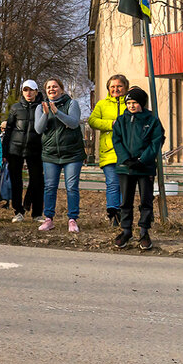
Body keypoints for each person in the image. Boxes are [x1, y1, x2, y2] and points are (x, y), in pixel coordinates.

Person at [111, 87, 165, 250]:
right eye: (129, 103)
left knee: (146, 201)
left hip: (145, 167)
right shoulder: (121, 121)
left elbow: (156, 141)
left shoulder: (152, 120)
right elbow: (117, 140)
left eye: (135, 102)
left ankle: (144, 231)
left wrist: (142, 159)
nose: (131, 106)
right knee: (126, 201)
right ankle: (126, 230)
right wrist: (126, 159)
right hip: (125, 167)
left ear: (142, 103)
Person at [34, 78, 86, 233]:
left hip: (72, 154)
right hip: (51, 154)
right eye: (49, 87)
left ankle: (72, 220)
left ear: (61, 89)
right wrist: (46, 113)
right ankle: (49, 219)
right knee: (50, 187)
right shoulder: (41, 107)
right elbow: (38, 129)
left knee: (71, 187)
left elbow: (74, 123)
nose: (52, 89)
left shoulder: (72, 104)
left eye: (55, 86)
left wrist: (57, 112)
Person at [88, 73, 129, 227]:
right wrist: (111, 124)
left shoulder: (130, 103)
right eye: (112, 86)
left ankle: (125, 213)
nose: (116, 89)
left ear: (125, 87)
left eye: (119, 86)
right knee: (112, 183)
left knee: (125, 184)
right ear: (108, 88)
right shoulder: (102, 104)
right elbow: (92, 121)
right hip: (109, 150)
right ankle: (113, 214)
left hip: (127, 151)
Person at [2, 80, 44, 224]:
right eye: (26, 90)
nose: (28, 93)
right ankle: (18, 211)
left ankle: (37, 213)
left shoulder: (42, 107)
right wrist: (4, 152)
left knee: (37, 180)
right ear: (22, 92)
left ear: (36, 92)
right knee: (16, 182)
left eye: (31, 90)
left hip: (35, 149)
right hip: (15, 149)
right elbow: (8, 130)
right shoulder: (15, 108)